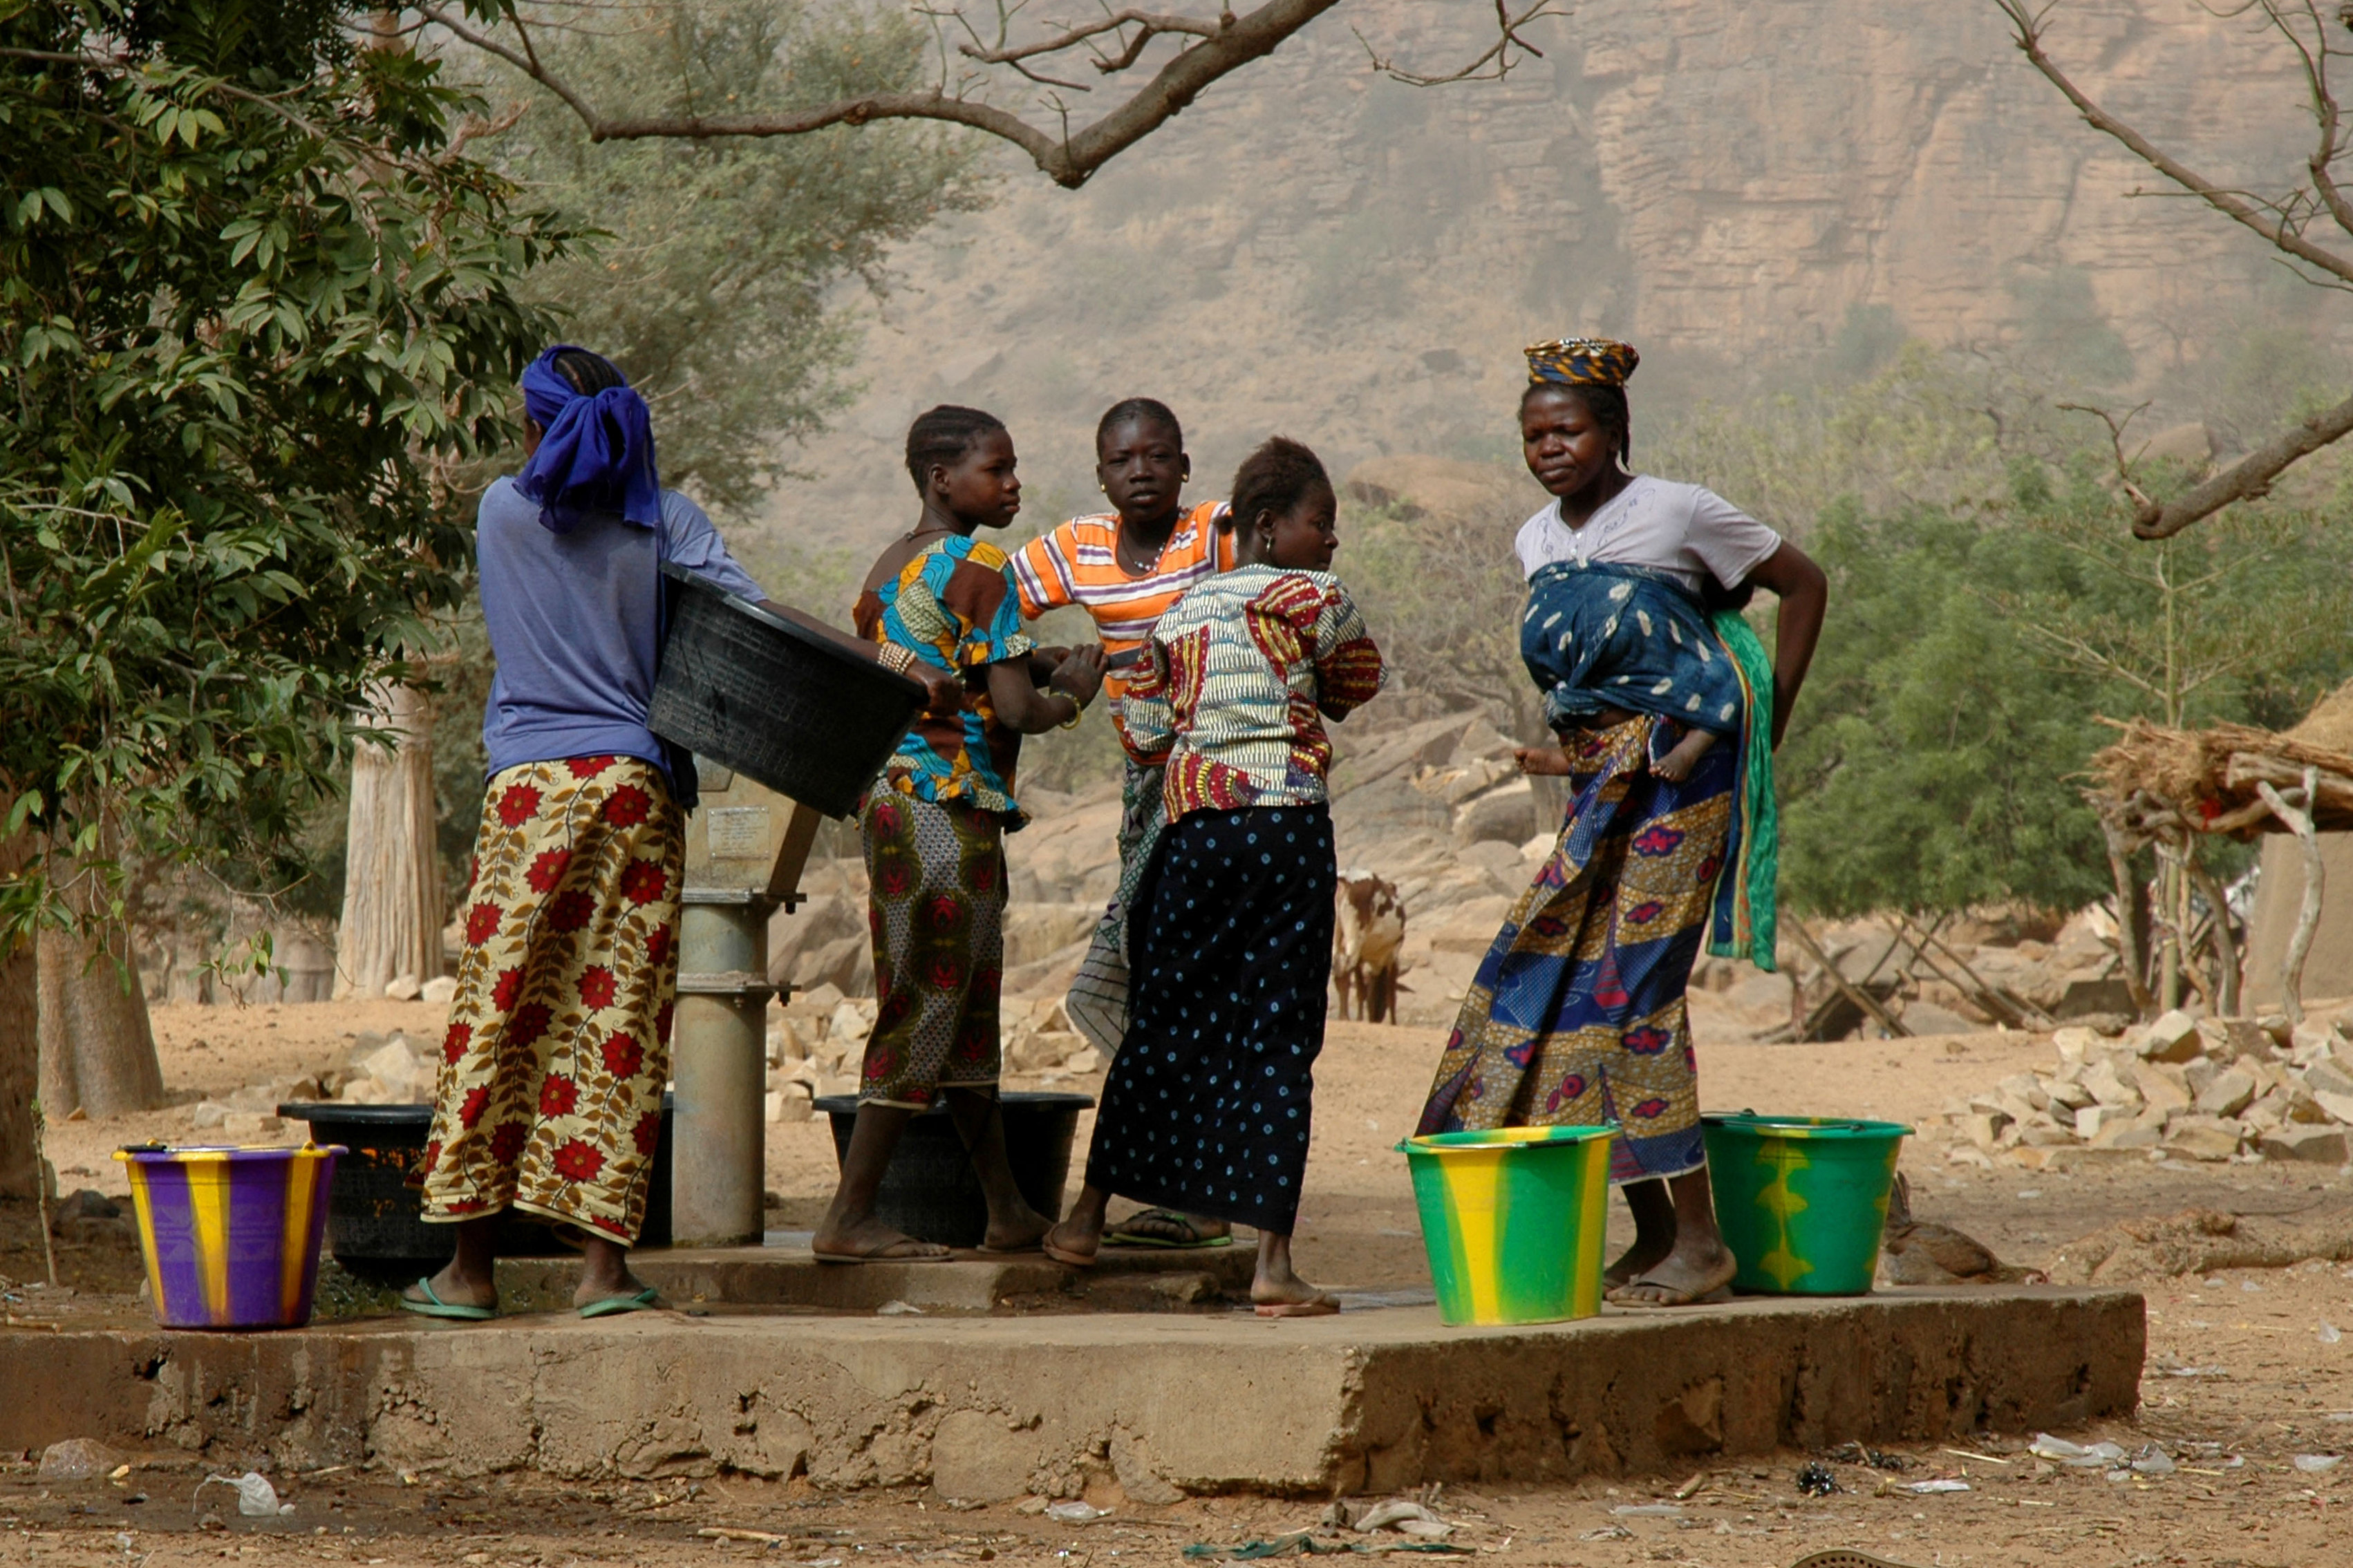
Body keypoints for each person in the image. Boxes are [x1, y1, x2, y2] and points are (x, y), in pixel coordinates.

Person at [405, 346, 952, 1320]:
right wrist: (888, 665)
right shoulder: (666, 520)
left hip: (531, 792)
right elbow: (760, 623)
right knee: (615, 1026)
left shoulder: (500, 511)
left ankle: (470, 1271)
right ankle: (603, 1272)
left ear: (534, 429)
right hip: (633, 788)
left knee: (500, 1014)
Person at [1414, 337, 1828, 1309]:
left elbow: (1802, 584)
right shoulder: (1535, 541)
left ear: (1614, 432)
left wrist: (1766, 720)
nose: (1550, 448)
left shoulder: (1677, 510)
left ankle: (1700, 1241)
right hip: (1604, 786)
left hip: (1686, 782)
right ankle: (1652, 1237)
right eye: (1533, 435)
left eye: (1568, 430)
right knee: (1564, 988)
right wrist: (1566, 759)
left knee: (1631, 996)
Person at [1042, 437, 1386, 1316]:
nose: (1331, 541)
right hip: (1283, 831)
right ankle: (1271, 1265)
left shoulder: (1183, 608)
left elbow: (1147, 734)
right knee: (1277, 1037)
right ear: (1270, 525)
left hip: (1193, 836)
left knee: (1164, 1023)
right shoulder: (1314, 594)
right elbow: (1357, 682)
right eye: (1322, 522)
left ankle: (1083, 1221)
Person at [812, 405, 1109, 1263]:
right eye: (998, 469)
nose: (1014, 483)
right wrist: (1074, 695)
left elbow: (945, 661)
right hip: (946, 810)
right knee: (930, 1001)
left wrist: (1034, 660)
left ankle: (1007, 1209)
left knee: (963, 1008)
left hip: (893, 804)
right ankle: (850, 1216)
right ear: (944, 479)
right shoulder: (980, 562)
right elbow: (1015, 707)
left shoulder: (889, 567)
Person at [1007, 397, 1241, 1252]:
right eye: (1120, 459)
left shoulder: (1218, 532)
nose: (1139, 470)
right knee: (1154, 980)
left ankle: (1194, 1193)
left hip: (1224, 786)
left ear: (1184, 465)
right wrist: (1046, 672)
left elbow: (1288, 565)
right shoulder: (1078, 548)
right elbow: (989, 606)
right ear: (1100, 475)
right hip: (1146, 791)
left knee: (1194, 981)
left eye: (1156, 455)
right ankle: (1187, 1187)